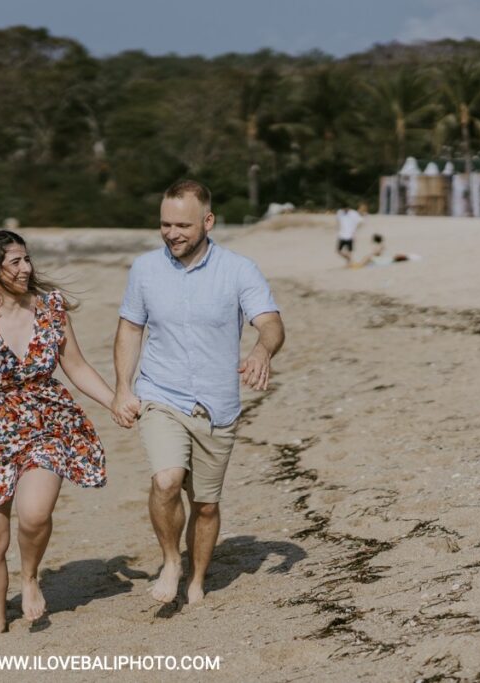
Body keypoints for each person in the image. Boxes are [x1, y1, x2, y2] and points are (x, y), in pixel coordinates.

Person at [111, 180, 285, 605]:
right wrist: (122, 388)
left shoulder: (239, 270)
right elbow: (130, 328)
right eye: (165, 224)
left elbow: (270, 323)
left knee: (205, 504)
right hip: (161, 393)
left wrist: (262, 350)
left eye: (182, 225)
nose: (172, 234)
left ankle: (196, 580)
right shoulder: (145, 269)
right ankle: (172, 561)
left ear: (208, 222)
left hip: (217, 405)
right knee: (166, 480)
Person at [0, 230, 115, 633]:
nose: (26, 268)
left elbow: (76, 366)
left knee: (35, 514)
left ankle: (29, 578)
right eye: (15, 262)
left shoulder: (51, 309)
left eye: (27, 259)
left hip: (47, 424)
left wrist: (114, 401)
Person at [351, 233, 416, 268]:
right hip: (381, 258)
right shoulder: (380, 245)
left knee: (368, 257)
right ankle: (359, 264)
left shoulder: (380, 245)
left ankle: (359, 265)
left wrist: (372, 253)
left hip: (381, 259)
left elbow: (377, 253)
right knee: (367, 257)